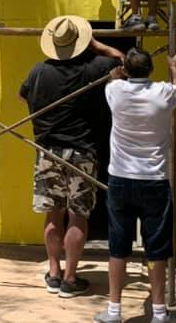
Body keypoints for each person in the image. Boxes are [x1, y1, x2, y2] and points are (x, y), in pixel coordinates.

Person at [20, 16, 124, 298]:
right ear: (80, 43)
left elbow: (23, 97)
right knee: (78, 215)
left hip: (47, 151)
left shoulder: (38, 71)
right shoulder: (95, 68)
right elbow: (122, 60)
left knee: (53, 213)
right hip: (81, 151)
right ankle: (70, 278)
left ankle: (53, 272)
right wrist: (96, 44)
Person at [93, 48, 176, 323]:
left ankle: (114, 313)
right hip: (154, 180)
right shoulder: (164, 93)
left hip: (120, 178)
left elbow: (110, 80)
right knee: (156, 249)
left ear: (127, 71)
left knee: (118, 247)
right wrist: (175, 68)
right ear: (150, 70)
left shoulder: (115, 91)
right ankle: (158, 316)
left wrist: (115, 74)